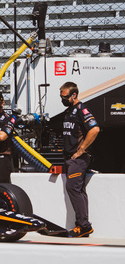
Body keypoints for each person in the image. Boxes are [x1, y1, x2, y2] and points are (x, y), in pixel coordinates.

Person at [60, 81, 99, 238]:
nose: (62, 99)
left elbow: (94, 129)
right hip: (70, 158)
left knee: (73, 188)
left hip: (78, 159)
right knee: (78, 190)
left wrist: (81, 150)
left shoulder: (81, 109)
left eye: (65, 96)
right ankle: (83, 225)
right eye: (61, 96)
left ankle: (83, 226)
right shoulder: (69, 111)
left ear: (74, 95)